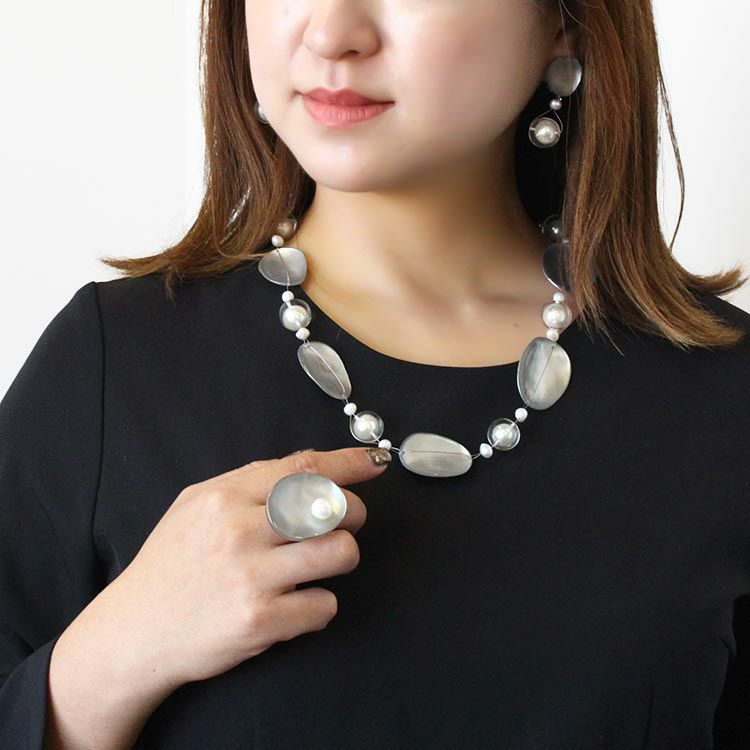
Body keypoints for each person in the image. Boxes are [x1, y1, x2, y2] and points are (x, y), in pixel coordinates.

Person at [1, 0, 749, 748]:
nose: (331, 33)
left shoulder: (725, 399)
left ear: (565, 21)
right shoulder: (112, 369)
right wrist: (117, 652)